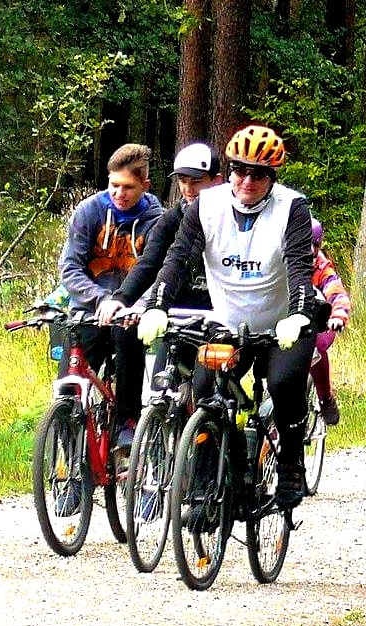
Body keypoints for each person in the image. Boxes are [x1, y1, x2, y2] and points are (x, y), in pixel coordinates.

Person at [137, 124, 319, 509]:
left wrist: (300, 313)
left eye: (260, 174)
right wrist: (156, 303)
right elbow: (178, 258)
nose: (247, 180)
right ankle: (213, 480)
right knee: (206, 390)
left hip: (283, 323)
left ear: (273, 177)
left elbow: (301, 267)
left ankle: (289, 461)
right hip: (227, 322)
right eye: (240, 170)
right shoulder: (207, 205)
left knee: (285, 383)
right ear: (230, 170)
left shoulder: (292, 208)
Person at [58, 143, 163, 465]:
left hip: (132, 311)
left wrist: (138, 305)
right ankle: (73, 466)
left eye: (128, 187)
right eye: (113, 185)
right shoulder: (89, 211)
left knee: (127, 340)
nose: (119, 193)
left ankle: (127, 423)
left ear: (145, 186)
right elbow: (70, 267)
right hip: (91, 306)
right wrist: (100, 298)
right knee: (66, 387)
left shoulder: (156, 219)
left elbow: (158, 270)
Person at [96, 141, 223, 324]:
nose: (188, 190)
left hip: (224, 312)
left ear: (216, 181)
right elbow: (149, 263)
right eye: (183, 181)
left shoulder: (230, 217)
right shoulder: (171, 219)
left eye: (196, 182)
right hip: (180, 313)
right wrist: (121, 298)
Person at [309, 218, 351, 426]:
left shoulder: (323, 269)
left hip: (320, 323)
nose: (307, 250)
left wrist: (338, 316)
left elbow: (336, 293)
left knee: (316, 346)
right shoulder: (280, 261)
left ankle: (325, 398)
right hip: (287, 320)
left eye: (313, 245)